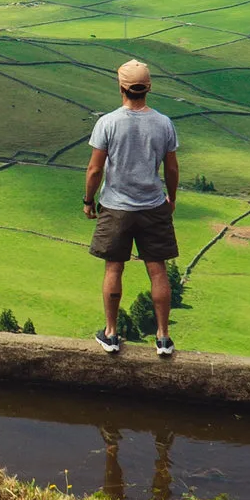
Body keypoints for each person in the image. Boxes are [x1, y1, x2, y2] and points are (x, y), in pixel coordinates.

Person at [83, 58, 180, 357]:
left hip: (115, 207)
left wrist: (89, 201)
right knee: (158, 271)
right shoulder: (163, 123)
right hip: (153, 205)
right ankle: (163, 338)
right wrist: (171, 198)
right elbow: (172, 169)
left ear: (122, 87)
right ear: (148, 88)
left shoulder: (108, 122)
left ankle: (111, 334)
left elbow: (94, 170)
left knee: (114, 268)